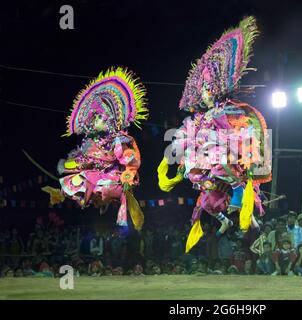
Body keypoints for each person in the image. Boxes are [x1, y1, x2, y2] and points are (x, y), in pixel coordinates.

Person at [157, 16, 271, 253]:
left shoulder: (228, 108)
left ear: (217, 88)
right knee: (197, 181)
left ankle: (241, 193)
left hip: (227, 152)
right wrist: (180, 147)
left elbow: (240, 129)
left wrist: (233, 144)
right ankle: (231, 220)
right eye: (203, 91)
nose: (205, 94)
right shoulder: (200, 116)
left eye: (208, 90)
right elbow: (187, 133)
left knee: (221, 163)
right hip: (204, 157)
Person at [42, 67, 148, 232]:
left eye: (98, 117)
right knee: (78, 179)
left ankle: (103, 200)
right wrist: (68, 166)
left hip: (113, 176)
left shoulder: (117, 139)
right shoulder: (89, 143)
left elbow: (129, 157)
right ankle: (61, 194)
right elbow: (83, 161)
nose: (94, 121)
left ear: (109, 119)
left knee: (101, 186)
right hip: (95, 175)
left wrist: (129, 174)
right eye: (93, 118)